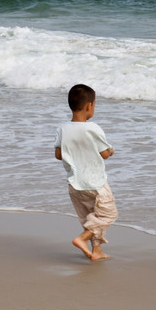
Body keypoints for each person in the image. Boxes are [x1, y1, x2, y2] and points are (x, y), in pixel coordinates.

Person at [54, 84, 118, 261]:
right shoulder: (93, 128)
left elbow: (58, 155)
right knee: (107, 214)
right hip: (95, 183)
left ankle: (96, 251)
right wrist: (111, 150)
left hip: (75, 185)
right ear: (89, 106)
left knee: (91, 217)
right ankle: (82, 239)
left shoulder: (62, 129)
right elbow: (104, 154)